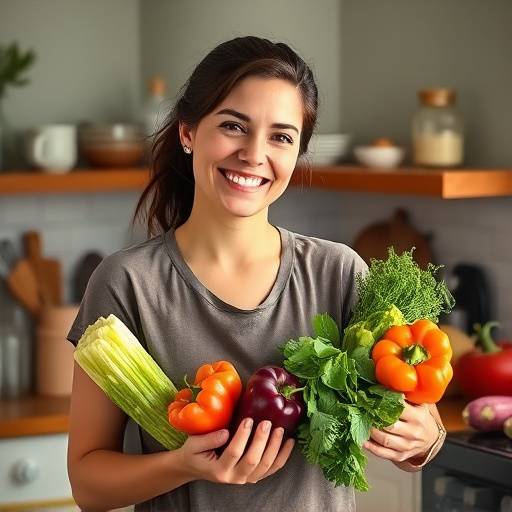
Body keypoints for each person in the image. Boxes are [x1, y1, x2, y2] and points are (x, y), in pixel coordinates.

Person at [66, 36, 446, 512]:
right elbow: (88, 484)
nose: (253, 153)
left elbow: (411, 424)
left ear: (298, 153)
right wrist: (184, 464)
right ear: (187, 131)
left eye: (281, 137)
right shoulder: (127, 283)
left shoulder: (339, 272)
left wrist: (424, 439)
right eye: (233, 126)